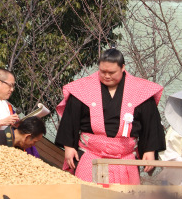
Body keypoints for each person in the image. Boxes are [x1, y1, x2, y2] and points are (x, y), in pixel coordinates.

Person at [55, 48, 165, 185]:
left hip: (125, 158)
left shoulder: (141, 91)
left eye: (111, 72)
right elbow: (70, 119)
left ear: (123, 68)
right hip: (90, 155)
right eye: (102, 72)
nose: (107, 76)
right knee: (87, 195)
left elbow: (151, 123)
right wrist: (69, 147)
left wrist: (150, 150)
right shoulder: (83, 88)